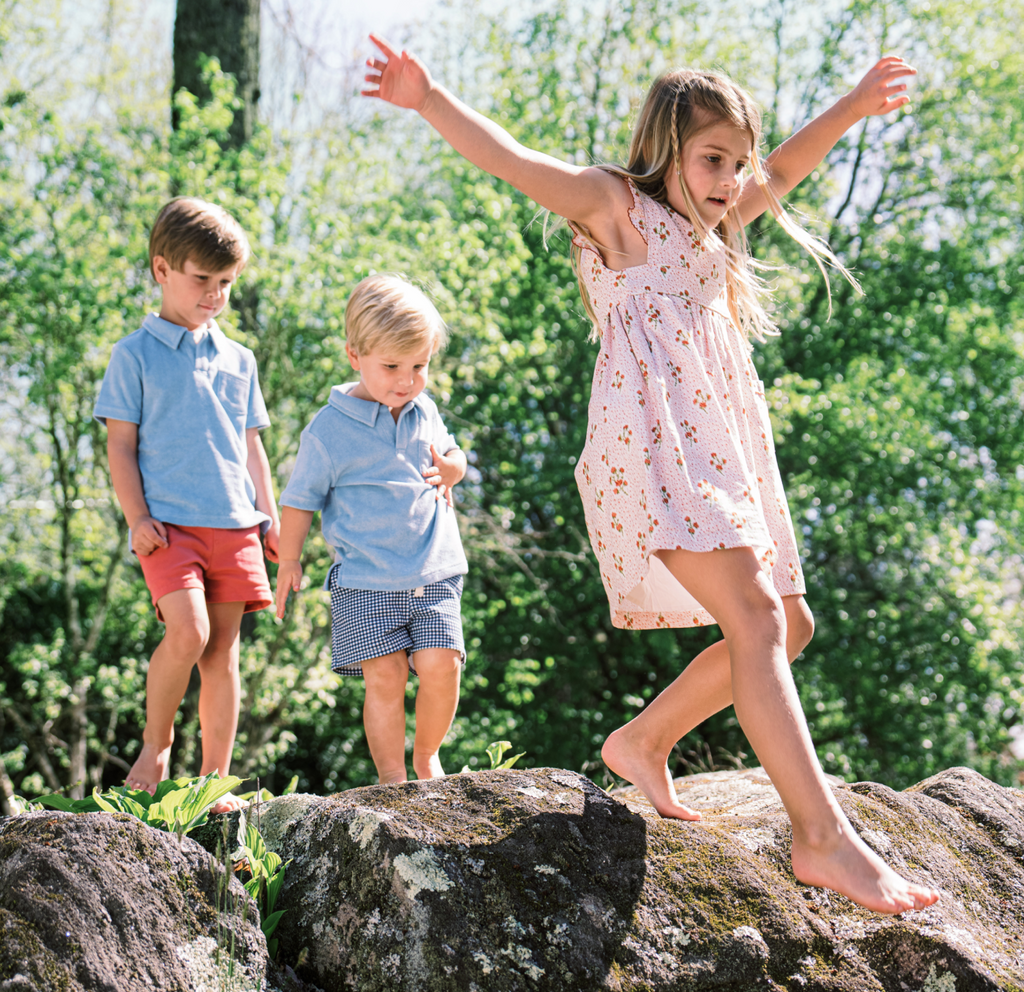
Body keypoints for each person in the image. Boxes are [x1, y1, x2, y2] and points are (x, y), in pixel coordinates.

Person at [362, 36, 940, 913]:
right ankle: (821, 837)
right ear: (667, 146)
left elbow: (786, 168)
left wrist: (853, 107)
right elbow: (516, 162)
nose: (728, 177)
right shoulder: (617, 209)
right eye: (712, 158)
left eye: (737, 162)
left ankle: (643, 741)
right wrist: (431, 96)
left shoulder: (721, 229)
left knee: (790, 622)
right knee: (753, 615)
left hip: (722, 448)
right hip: (654, 449)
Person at [95, 197, 280, 813]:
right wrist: (136, 516)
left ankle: (215, 780)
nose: (214, 294)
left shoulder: (239, 360)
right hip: (168, 529)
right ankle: (156, 744)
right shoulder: (134, 356)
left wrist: (270, 518)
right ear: (162, 269)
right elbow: (120, 447)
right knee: (189, 630)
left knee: (222, 649)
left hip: (236, 526)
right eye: (202, 279)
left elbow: (252, 447)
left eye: (225, 282)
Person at [275, 274, 468, 784]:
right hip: (366, 583)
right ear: (354, 355)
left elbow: (453, 453)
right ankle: (390, 776)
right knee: (384, 678)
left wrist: (454, 467)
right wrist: (289, 560)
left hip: (434, 571)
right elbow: (298, 503)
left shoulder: (423, 410)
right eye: (391, 367)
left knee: (442, 666)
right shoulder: (328, 431)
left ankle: (427, 757)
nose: (406, 380)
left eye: (419, 366)